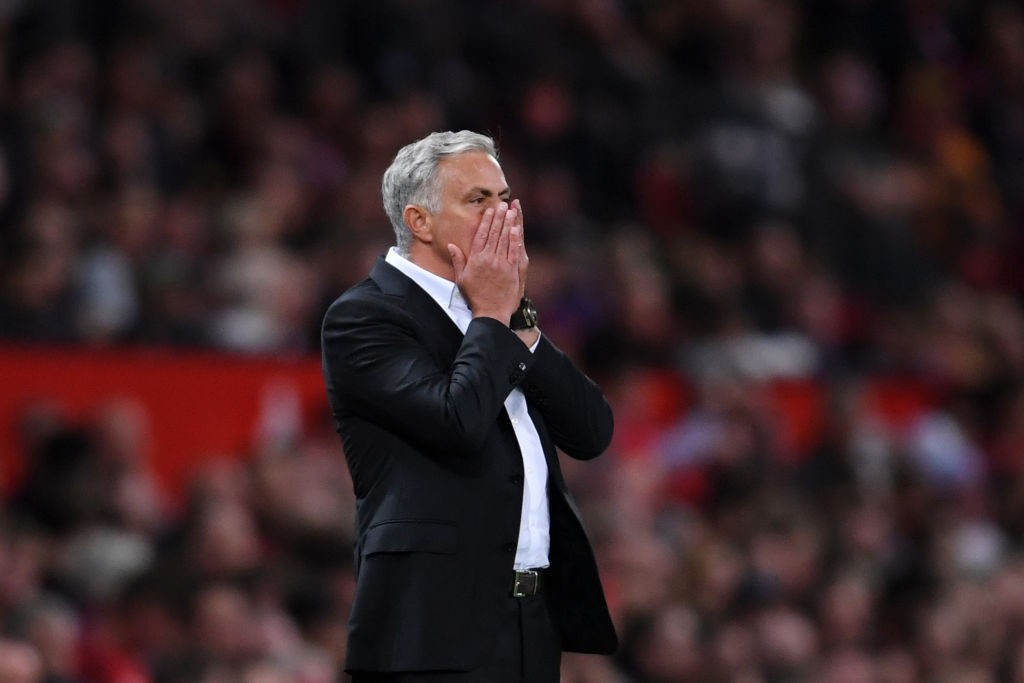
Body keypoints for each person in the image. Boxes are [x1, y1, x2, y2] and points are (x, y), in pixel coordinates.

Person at [320, 130, 617, 682]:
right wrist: (493, 314)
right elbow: (457, 421)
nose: (500, 214)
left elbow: (592, 432)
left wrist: (518, 322)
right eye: (477, 199)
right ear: (420, 222)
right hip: (430, 632)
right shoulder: (365, 317)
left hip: (530, 625)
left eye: (504, 198)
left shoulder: (497, 314)